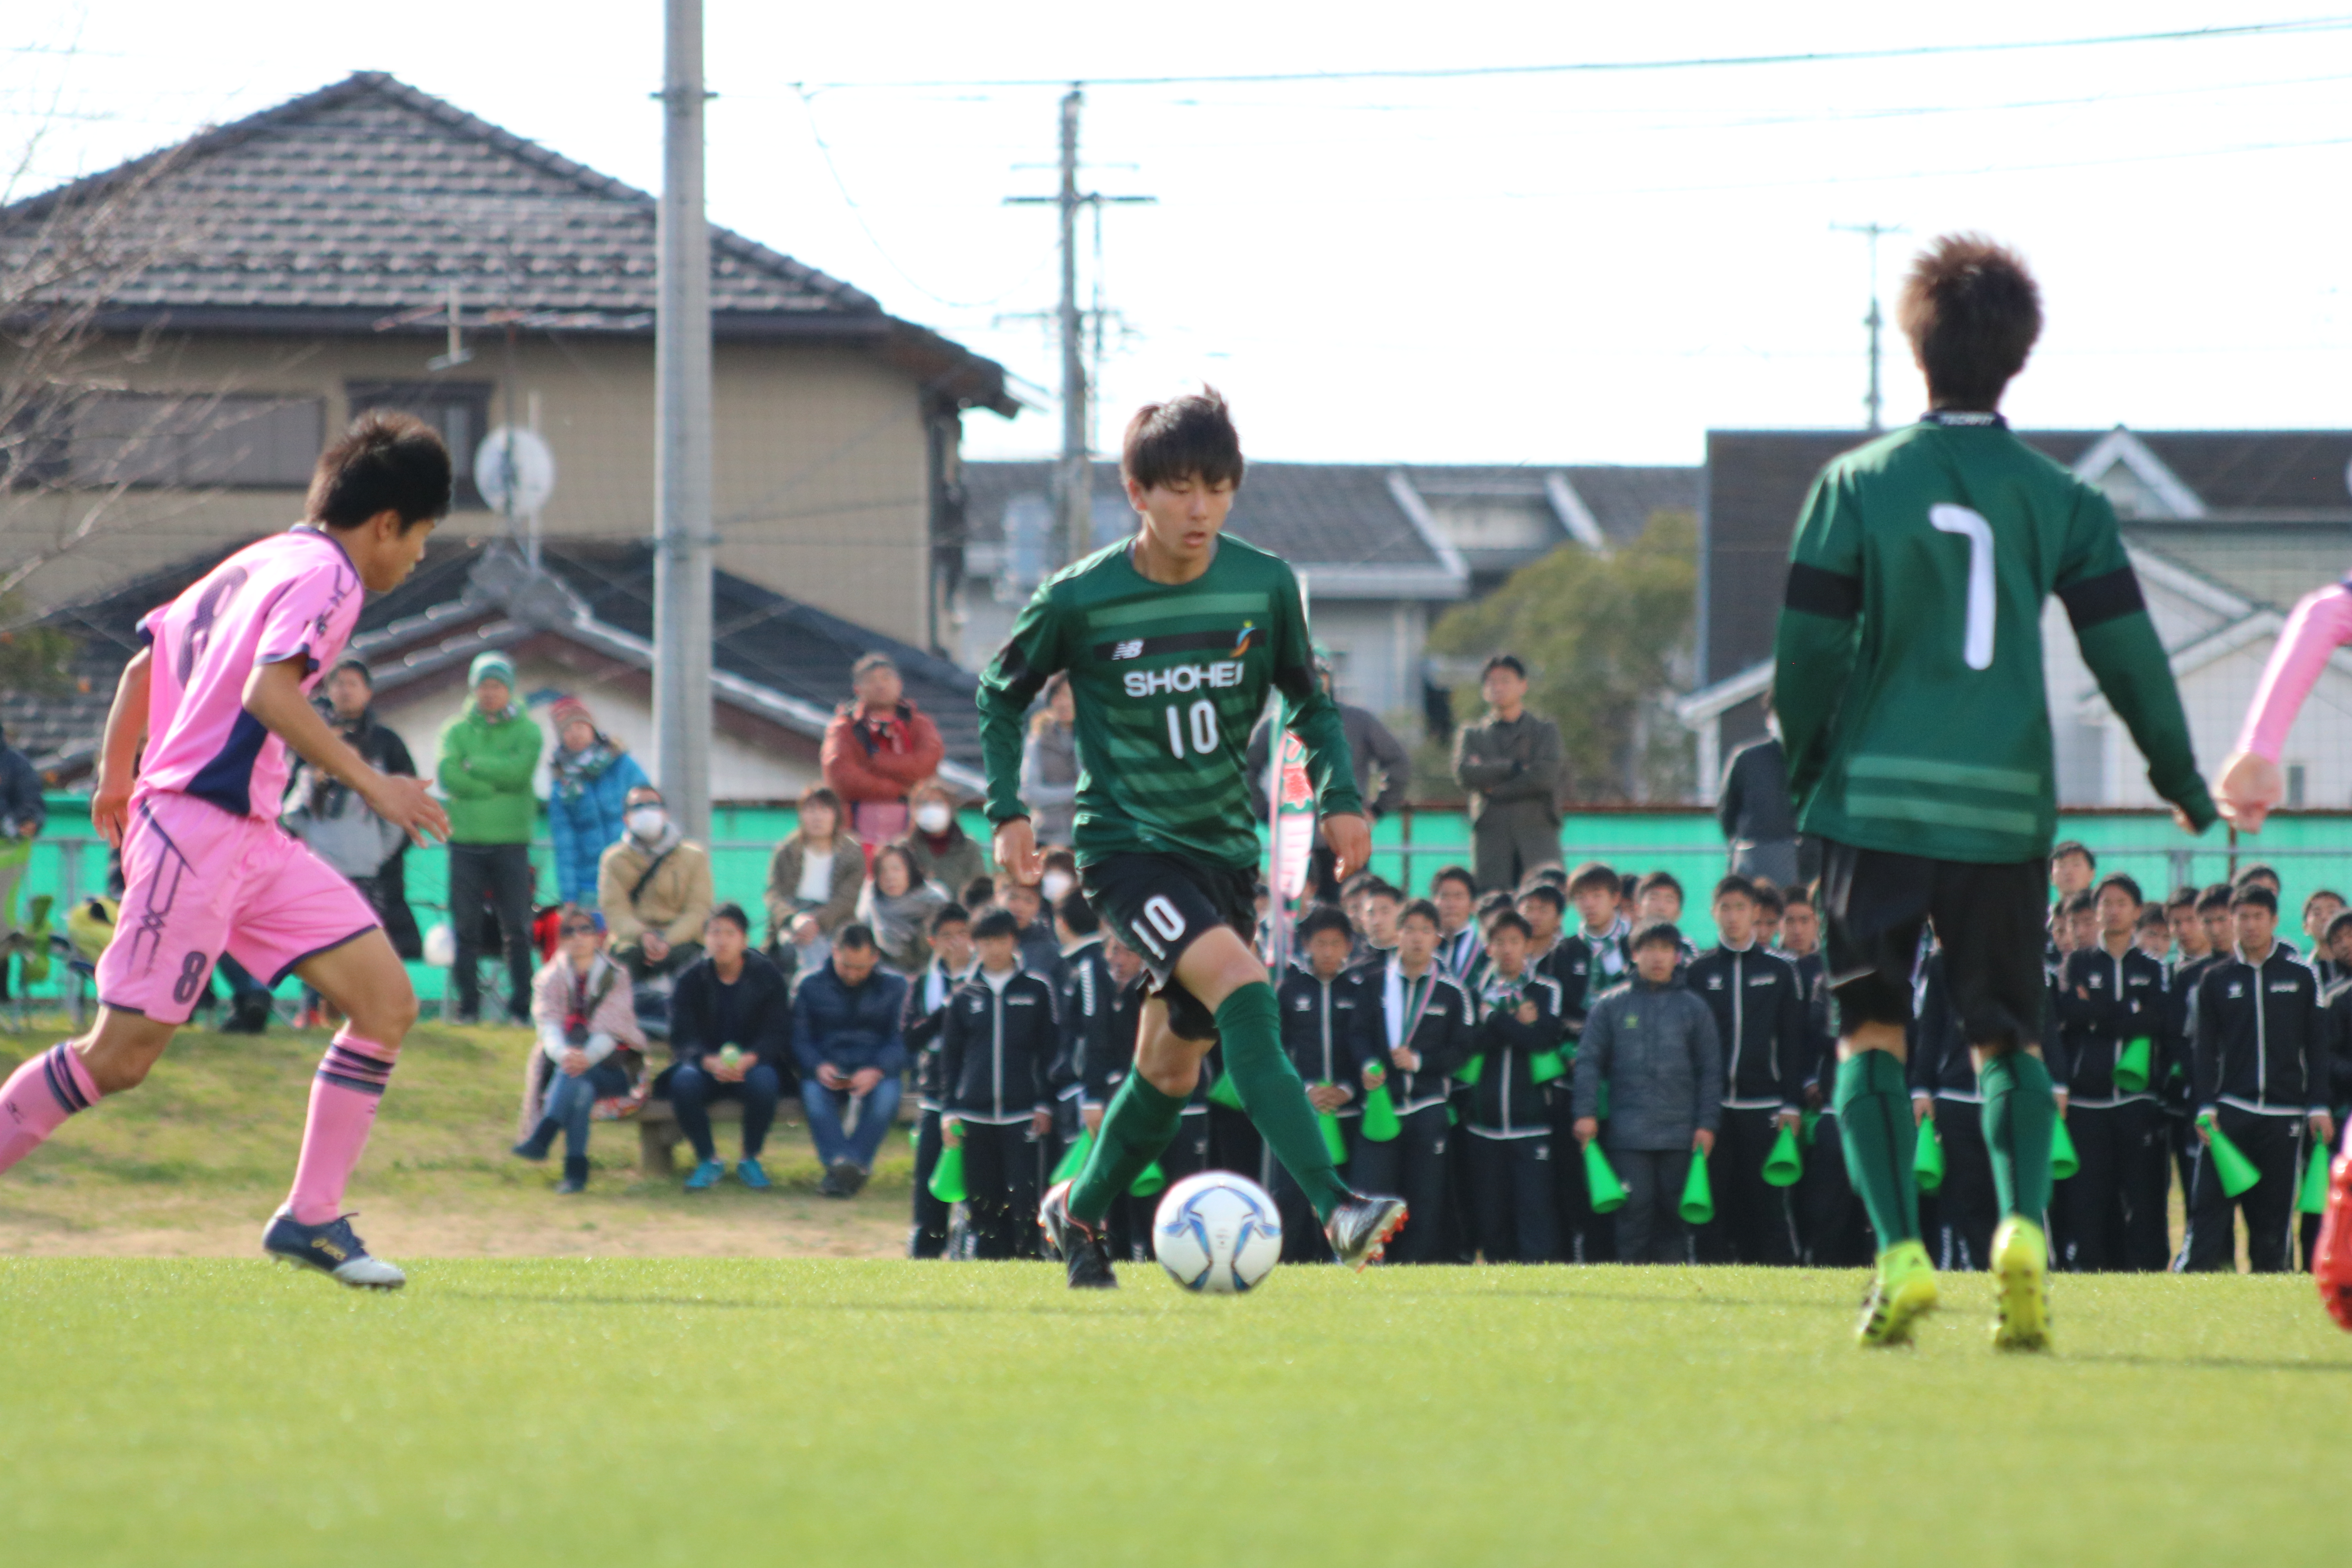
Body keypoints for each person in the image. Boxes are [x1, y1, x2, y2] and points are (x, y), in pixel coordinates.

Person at [1773, 234, 2215, 1349]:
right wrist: (2179, 778)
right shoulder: (2061, 499)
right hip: (2004, 810)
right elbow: (2129, 657)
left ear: (1919, 349)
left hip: (1872, 806)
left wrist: (1808, 766)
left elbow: (1806, 659)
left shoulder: (1855, 486)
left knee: (1869, 1034)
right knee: (2007, 1041)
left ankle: (1901, 1257)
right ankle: (2023, 1234)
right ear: (2019, 356)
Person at [0, 410, 452, 1287]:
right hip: (199, 832)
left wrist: (113, 777)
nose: (421, 555)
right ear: (387, 522)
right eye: (425, 535)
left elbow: (143, 668)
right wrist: (376, 783)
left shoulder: (258, 559)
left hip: (249, 836)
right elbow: (267, 693)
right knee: (119, 1057)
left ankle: (310, 1219)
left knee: (388, 1003)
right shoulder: (332, 578)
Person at [978, 387, 1403, 1289]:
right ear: (1137, 492)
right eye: (1177, 487)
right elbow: (1000, 691)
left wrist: (1340, 791)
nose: (1199, 506)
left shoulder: (1265, 583)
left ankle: (1078, 1209)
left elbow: (1311, 701)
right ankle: (1337, 1206)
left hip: (1222, 852)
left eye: (1217, 486)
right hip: (1126, 849)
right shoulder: (1081, 597)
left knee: (1169, 1074)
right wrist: (1007, 809)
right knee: (1248, 990)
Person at [2180, 885, 2331, 1273]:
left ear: (2274, 921)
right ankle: (2191, 1283)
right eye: (2243, 917)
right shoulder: (2215, 978)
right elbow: (2203, 1050)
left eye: (2258, 917)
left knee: (2272, 1217)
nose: (2250, 925)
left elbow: (2317, 1047)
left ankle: (2272, 1281)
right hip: (2231, 1112)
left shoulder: (2301, 976)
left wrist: (2318, 1104)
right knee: (2208, 1206)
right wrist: (2206, 1105)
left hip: (2285, 1113)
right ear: (2233, 921)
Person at [1572, 921, 1723, 1265]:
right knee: (1632, 1213)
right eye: (1650, 949)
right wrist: (1585, 1114)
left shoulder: (1694, 1008)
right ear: (1635, 954)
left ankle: (1675, 1292)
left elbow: (1711, 1072)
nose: (1658, 958)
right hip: (1628, 1135)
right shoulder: (1610, 1005)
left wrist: (1707, 1124)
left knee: (1675, 1215)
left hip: (1682, 1134)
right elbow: (1588, 1063)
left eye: (1666, 950)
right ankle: (1631, 1290)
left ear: (1677, 956)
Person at [2054, 873, 2174, 1273]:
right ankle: (2086, 1271)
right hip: (2087, 1101)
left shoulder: (2153, 968)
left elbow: (2158, 1020)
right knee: (2087, 1197)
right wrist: (2130, 1011)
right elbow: (2072, 1012)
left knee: (2142, 1197)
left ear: (2137, 912)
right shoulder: (2077, 962)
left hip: (2138, 1103)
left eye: (2122, 902)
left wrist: (2099, 1012)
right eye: (2105, 903)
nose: (2113, 909)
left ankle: (2145, 1274)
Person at [1687, 877, 1806, 1266]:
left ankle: (1782, 1281)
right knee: (1716, 1202)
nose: (1734, 916)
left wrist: (1792, 1102)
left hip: (1766, 1104)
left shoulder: (1781, 971)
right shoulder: (1698, 971)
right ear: (1713, 913)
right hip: (1714, 1109)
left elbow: (1793, 1043)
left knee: (1769, 1203)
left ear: (1757, 913)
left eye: (1741, 907)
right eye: (1726, 907)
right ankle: (1711, 1283)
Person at [1347, 899, 1471, 1264]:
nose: (1417, 938)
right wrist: (1369, 1064)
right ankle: (1369, 1267)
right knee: (1371, 1192)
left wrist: (1421, 1062)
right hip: (1381, 1106)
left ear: (1437, 939)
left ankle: (1415, 1269)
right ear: (1397, 935)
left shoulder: (1453, 991)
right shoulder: (1374, 984)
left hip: (1428, 1106)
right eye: (1410, 929)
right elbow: (1357, 1034)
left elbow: (1463, 1051)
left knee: (1425, 1197)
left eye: (1425, 931)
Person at [1246, 651, 1410, 901]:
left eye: (1319, 676)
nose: (1312, 683)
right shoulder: (1277, 724)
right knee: (1295, 918)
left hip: (1346, 839)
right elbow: (1246, 767)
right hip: (1295, 841)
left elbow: (1398, 764)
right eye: (1305, 677)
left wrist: (1377, 810)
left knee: (1352, 915)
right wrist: (1264, 812)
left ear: (1330, 680)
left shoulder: (1358, 721)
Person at [938, 907, 1056, 1258]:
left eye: (1001, 939)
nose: (994, 948)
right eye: (986, 940)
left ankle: (1030, 1262)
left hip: (1023, 1113)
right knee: (983, 1203)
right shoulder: (963, 996)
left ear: (1014, 941)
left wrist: (1045, 1103)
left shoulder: (1036, 990)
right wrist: (949, 1111)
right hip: (973, 1114)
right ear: (976, 944)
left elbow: (1050, 1052)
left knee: (1025, 1199)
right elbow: (950, 1059)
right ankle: (990, 1266)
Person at [438, 650, 544, 1025]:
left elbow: (520, 775)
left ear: (510, 689)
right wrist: (491, 784)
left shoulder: (529, 730)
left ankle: (522, 1008)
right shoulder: (455, 730)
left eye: (497, 685)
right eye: (484, 685)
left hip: (512, 841)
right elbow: (450, 776)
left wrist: (476, 768)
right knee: (464, 928)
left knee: (517, 928)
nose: (490, 692)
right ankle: (468, 1008)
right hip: (465, 841)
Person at [662, 904, 791, 1191]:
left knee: (766, 1082)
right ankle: (708, 1159)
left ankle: (750, 1158)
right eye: (715, 932)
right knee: (684, 1083)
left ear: (744, 940)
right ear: (705, 938)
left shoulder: (767, 976)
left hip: (753, 1064)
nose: (722, 940)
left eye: (730, 933)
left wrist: (750, 1058)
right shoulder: (690, 980)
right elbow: (682, 1035)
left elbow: (777, 1031)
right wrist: (708, 1062)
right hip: (706, 1066)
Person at [514, 909, 644, 1193]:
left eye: (586, 929)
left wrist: (586, 1058)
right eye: (570, 931)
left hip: (614, 1070)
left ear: (599, 937)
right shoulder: (549, 978)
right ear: (561, 940)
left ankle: (544, 1137)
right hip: (569, 1068)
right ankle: (575, 1175)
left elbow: (611, 1029)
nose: (579, 937)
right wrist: (566, 1056)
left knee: (574, 1077)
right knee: (579, 1089)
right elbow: (548, 1025)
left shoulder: (617, 977)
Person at [1462, 909, 1565, 1263]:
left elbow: (1542, 1040)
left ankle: (1539, 1289)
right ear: (1488, 948)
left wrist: (1495, 1019)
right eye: (1500, 942)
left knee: (1535, 1212)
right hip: (1483, 1125)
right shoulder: (1473, 993)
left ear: (1528, 946)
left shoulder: (1547, 989)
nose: (1507, 949)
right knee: (1492, 1218)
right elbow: (1471, 1044)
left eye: (1515, 942)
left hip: (1532, 1123)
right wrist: (1509, 1023)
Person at [1273, 905, 1374, 1261]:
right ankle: (1290, 1264)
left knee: (1348, 1190)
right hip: (1305, 1112)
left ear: (1349, 946)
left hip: (1350, 1112)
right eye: (1320, 943)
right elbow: (1279, 1049)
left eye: (1336, 943)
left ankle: (1348, 1259)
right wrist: (1306, 1091)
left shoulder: (1360, 989)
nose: (1328, 951)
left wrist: (1347, 1090)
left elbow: (1366, 1045)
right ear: (1306, 945)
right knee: (1296, 1192)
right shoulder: (1289, 990)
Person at [308, 659, 421, 960]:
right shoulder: (309, 737)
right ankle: (315, 1006)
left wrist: (385, 853)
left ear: (368, 692)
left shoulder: (386, 743)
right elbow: (293, 804)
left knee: (374, 944)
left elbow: (408, 801)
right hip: (320, 866)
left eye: (352, 683)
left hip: (376, 869)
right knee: (320, 944)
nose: (345, 691)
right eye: (338, 683)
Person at [791, 922, 909, 1197]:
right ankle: (848, 1168)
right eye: (846, 966)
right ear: (834, 953)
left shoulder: (895, 987)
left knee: (885, 1100)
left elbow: (903, 1039)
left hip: (875, 1067)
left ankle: (842, 1170)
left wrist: (878, 1069)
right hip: (827, 1067)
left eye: (861, 967)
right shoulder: (810, 986)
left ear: (875, 958)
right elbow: (799, 1038)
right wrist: (817, 1065)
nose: (853, 974)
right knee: (814, 1096)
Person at [1911, 949, 2000, 1270]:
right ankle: (1965, 1271)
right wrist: (1921, 1086)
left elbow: (2040, 1025)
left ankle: (2017, 1273)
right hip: (1955, 1096)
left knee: (2007, 1197)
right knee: (1962, 1198)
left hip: (2005, 1096)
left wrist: (2055, 1082)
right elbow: (1930, 1026)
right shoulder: (1941, 962)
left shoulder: (2021, 952)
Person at [1451, 654, 1563, 893]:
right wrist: (1512, 768)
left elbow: (1544, 777)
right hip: (1492, 838)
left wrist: (1495, 789)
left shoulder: (1544, 731)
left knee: (1545, 902)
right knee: (1493, 906)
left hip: (1536, 835)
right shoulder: (1473, 734)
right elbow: (1465, 775)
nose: (1498, 687)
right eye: (1491, 682)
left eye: (1506, 680)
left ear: (1523, 685)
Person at [902, 903, 975, 1258]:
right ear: (933, 942)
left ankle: (973, 1242)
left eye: (963, 934)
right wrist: (949, 1007)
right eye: (947, 936)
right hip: (934, 1093)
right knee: (929, 1174)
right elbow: (910, 1037)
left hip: (978, 1090)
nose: (956, 943)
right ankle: (927, 1242)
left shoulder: (984, 979)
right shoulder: (923, 985)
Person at [598, 785, 715, 995]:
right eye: (638, 807)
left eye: (653, 805)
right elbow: (615, 910)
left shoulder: (693, 856)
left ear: (665, 813)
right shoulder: (614, 859)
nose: (646, 811)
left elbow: (698, 909)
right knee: (623, 968)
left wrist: (667, 941)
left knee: (691, 969)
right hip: (632, 942)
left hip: (682, 940)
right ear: (626, 818)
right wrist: (644, 936)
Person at [821, 652, 944, 848]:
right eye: (871, 680)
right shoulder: (843, 726)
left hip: (915, 829)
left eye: (887, 678)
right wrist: (900, 790)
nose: (880, 685)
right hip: (855, 830)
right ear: (857, 689)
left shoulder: (920, 724)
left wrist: (878, 761)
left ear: (900, 684)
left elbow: (928, 764)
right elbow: (841, 775)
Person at [546, 695, 648, 915]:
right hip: (589, 883)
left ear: (592, 728)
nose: (575, 733)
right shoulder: (562, 785)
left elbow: (647, 808)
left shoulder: (622, 764)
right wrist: (570, 896)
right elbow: (565, 845)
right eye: (567, 729)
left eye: (580, 725)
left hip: (632, 872)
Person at [762, 784, 863, 978]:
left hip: (836, 919)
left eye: (824, 810)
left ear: (836, 816)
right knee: (789, 951)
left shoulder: (852, 853)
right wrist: (794, 919)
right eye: (810, 810)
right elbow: (774, 894)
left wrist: (817, 921)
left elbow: (848, 899)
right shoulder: (786, 850)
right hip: (795, 916)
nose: (817, 817)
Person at [1716, 700, 1809, 891]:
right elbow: (1728, 811)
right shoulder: (1746, 758)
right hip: (1753, 854)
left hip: (1803, 857)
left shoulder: (1813, 758)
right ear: (1768, 718)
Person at [0, 721, 45, 1005]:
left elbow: (31, 811)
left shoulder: (15, 765)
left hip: (8, 855)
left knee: (2, 924)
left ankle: (2, 993)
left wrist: (18, 824)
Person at [857, 841, 946, 975]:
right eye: (883, 871)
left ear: (910, 871)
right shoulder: (871, 907)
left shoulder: (935, 904)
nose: (890, 877)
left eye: (896, 869)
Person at [897, 779, 987, 900]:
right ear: (914, 810)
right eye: (924, 804)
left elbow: (981, 891)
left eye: (938, 803)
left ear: (950, 808)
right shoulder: (904, 849)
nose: (931, 809)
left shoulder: (970, 848)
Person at [1021, 674, 1080, 848]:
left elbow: (1096, 785)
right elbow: (1031, 793)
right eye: (1059, 696)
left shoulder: (1090, 737)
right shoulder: (1038, 739)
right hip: (1045, 835)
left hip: (1085, 835)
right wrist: (1076, 793)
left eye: (1070, 696)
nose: (1064, 703)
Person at [1429, 865, 1483, 979]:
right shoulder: (1426, 950)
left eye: (1459, 897)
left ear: (1473, 905)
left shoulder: (1484, 952)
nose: (1451, 904)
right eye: (1444, 896)